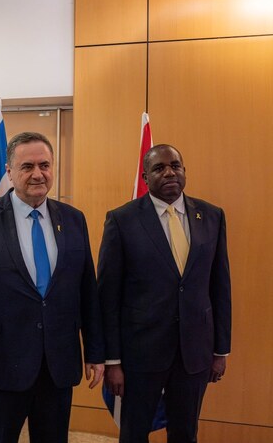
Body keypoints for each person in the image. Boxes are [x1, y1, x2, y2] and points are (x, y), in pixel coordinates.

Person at [0, 132, 105, 442]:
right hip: (2, 363)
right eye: (27, 166)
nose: (38, 174)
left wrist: (96, 351)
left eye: (45, 165)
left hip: (59, 363)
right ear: (9, 172)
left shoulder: (74, 219)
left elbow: (88, 289)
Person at [98, 144, 231, 443]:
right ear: (145, 177)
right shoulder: (122, 220)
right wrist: (112, 361)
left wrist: (221, 350)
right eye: (159, 168)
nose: (169, 172)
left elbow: (220, 287)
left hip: (194, 353)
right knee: (134, 433)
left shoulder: (211, 216)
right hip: (139, 355)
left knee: (185, 433)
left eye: (176, 165)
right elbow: (107, 297)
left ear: (184, 172)